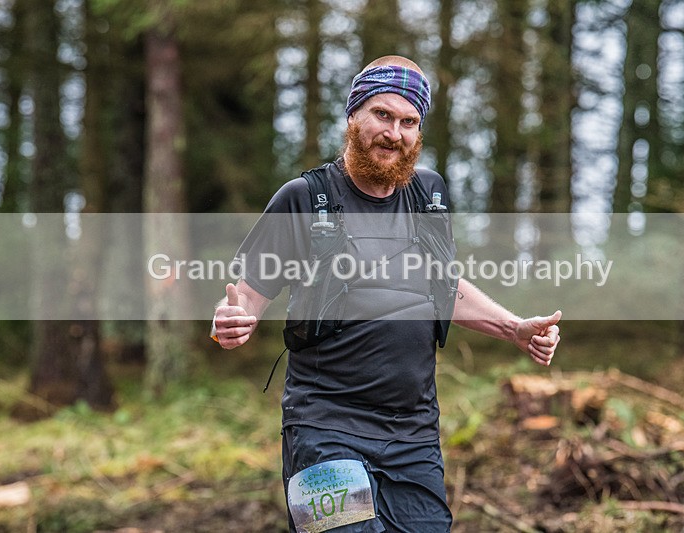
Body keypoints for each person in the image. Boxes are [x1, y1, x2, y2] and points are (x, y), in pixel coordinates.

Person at [213, 55, 561, 533]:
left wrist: (513, 328)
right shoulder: (303, 198)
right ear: (353, 116)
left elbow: (440, 286)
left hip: (412, 435)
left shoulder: (430, 196)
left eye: (408, 122)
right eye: (382, 114)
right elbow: (247, 295)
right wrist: (231, 320)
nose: (394, 133)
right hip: (323, 426)